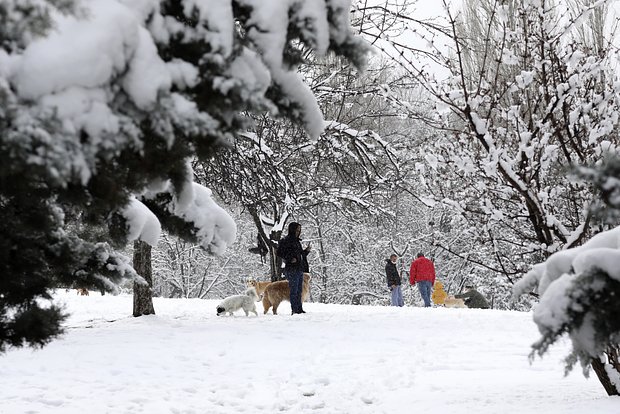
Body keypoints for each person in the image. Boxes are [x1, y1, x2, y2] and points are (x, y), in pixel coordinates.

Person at [276, 222, 311, 314]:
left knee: (299, 291)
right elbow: (279, 252)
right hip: (291, 269)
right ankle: (294, 310)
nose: (298, 232)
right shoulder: (286, 240)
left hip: (299, 269)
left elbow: (300, 254)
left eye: (299, 230)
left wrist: (306, 251)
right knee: (294, 291)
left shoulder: (297, 241)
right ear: (292, 229)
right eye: (297, 230)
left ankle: (299, 309)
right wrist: (290, 259)